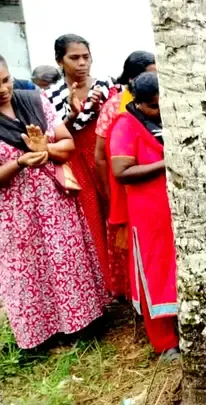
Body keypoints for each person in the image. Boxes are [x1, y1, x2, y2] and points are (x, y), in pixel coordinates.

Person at [0, 54, 109, 349]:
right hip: (14, 213)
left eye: (5, 80)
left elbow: (67, 143)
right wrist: (21, 161)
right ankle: (41, 336)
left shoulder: (34, 100)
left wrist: (45, 149)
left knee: (66, 259)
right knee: (26, 270)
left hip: (54, 202)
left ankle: (82, 324)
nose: (3, 89)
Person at [108, 72, 179, 360]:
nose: (159, 110)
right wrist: (168, 162)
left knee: (178, 271)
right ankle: (164, 343)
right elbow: (121, 171)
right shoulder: (126, 125)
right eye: (152, 105)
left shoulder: (174, 116)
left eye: (163, 103)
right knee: (155, 271)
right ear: (136, 102)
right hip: (149, 215)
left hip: (178, 210)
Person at [45, 34, 118, 297]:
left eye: (85, 57)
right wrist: (73, 115)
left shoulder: (106, 84)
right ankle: (105, 286)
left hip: (105, 153)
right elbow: (52, 135)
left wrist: (102, 110)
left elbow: (119, 119)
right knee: (90, 218)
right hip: (75, 157)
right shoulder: (51, 95)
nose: (81, 63)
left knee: (115, 211)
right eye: (73, 58)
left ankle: (124, 282)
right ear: (59, 61)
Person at [94, 51, 157, 298]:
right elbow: (101, 156)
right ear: (132, 78)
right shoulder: (115, 108)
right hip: (129, 178)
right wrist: (109, 194)